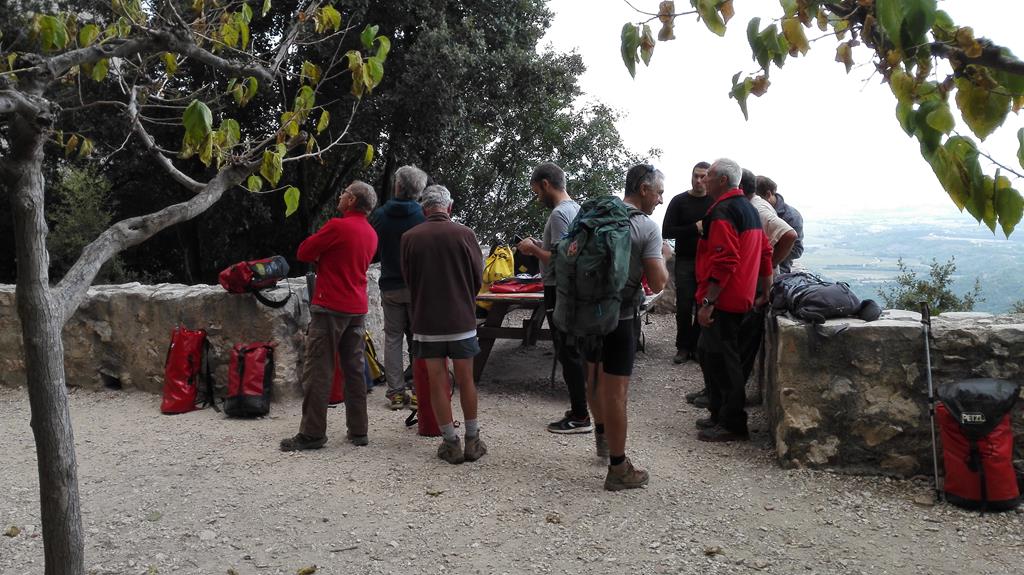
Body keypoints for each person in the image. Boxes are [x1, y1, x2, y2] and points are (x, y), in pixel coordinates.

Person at [586, 164, 670, 490]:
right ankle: (618, 469)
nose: (661, 199)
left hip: (586, 315)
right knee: (617, 392)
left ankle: (602, 434)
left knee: (592, 377)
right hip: (620, 318)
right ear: (644, 189)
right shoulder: (646, 227)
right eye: (659, 192)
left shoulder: (595, 214)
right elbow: (658, 281)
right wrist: (662, 254)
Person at [281, 181, 379, 451]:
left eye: (345, 192)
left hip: (329, 306)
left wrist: (322, 259)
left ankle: (313, 433)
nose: (341, 194)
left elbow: (304, 251)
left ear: (352, 201)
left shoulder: (338, 226)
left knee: (319, 370)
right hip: (356, 308)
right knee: (354, 370)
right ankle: (359, 430)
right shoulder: (371, 233)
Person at [401, 185, 486, 464]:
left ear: (424, 209)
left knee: (437, 380)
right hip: (461, 318)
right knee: (465, 379)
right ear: (448, 207)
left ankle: (450, 442)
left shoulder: (409, 238)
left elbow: (408, 279)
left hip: (426, 322)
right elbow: (477, 278)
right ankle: (473, 439)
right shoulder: (466, 234)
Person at [695, 159, 773, 442]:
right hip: (743, 296)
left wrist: (708, 303)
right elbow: (765, 252)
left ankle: (733, 423)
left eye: (710, 177)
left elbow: (725, 259)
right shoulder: (749, 210)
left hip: (725, 299)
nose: (704, 181)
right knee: (710, 353)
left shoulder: (724, 212)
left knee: (723, 361)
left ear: (723, 181)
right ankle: (719, 414)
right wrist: (765, 290)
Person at [516, 163, 590, 434]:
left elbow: (560, 259)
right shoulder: (577, 209)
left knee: (566, 351)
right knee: (574, 349)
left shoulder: (559, 214)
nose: (537, 198)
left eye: (536, 191)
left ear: (545, 184)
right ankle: (580, 407)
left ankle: (580, 416)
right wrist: (541, 245)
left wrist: (532, 248)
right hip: (575, 289)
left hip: (558, 289)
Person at [369, 165, 428, 410]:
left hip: (391, 285)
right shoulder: (424, 215)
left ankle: (395, 392)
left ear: (398, 186)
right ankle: (416, 390)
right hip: (417, 287)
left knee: (392, 338)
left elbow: (372, 249)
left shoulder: (380, 215)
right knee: (418, 338)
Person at [662, 161, 712, 366]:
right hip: (684, 260)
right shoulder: (679, 201)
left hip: (707, 261)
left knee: (703, 304)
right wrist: (694, 228)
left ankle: (698, 347)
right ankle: (683, 347)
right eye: (695, 176)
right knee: (683, 305)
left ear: (709, 178)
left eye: (703, 176)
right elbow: (667, 231)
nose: (698, 180)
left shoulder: (714, 202)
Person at [755, 175, 804, 274]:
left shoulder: (791, 216)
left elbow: (797, 250)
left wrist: (770, 256)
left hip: (779, 268)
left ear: (768, 194)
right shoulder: (760, 210)